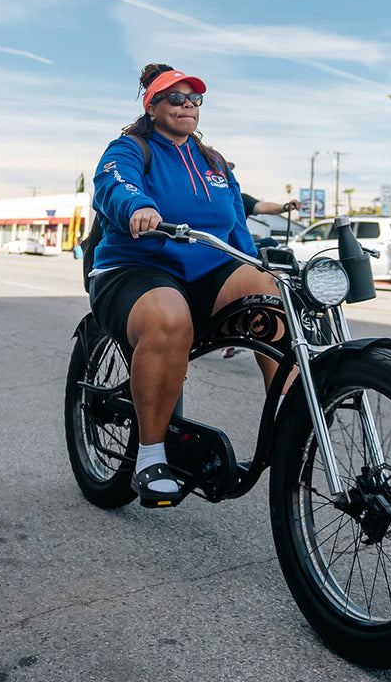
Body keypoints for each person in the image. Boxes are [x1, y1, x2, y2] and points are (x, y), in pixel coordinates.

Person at [89, 63, 280, 507]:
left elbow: (236, 228)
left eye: (194, 99)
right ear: (152, 106)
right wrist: (137, 205)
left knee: (269, 290)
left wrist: (254, 263)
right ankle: (151, 454)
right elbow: (113, 184)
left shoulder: (214, 162)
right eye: (175, 98)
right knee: (170, 319)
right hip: (135, 268)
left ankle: (292, 427)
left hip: (206, 274)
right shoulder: (131, 148)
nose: (187, 105)